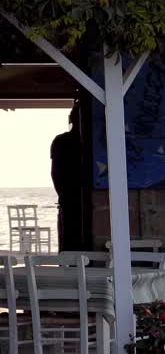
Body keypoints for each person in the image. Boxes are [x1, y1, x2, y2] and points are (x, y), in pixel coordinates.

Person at [50, 105, 84, 252]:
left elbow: (55, 173)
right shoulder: (93, 142)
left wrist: (63, 195)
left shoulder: (60, 141)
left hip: (68, 198)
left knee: (68, 244)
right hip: (74, 197)